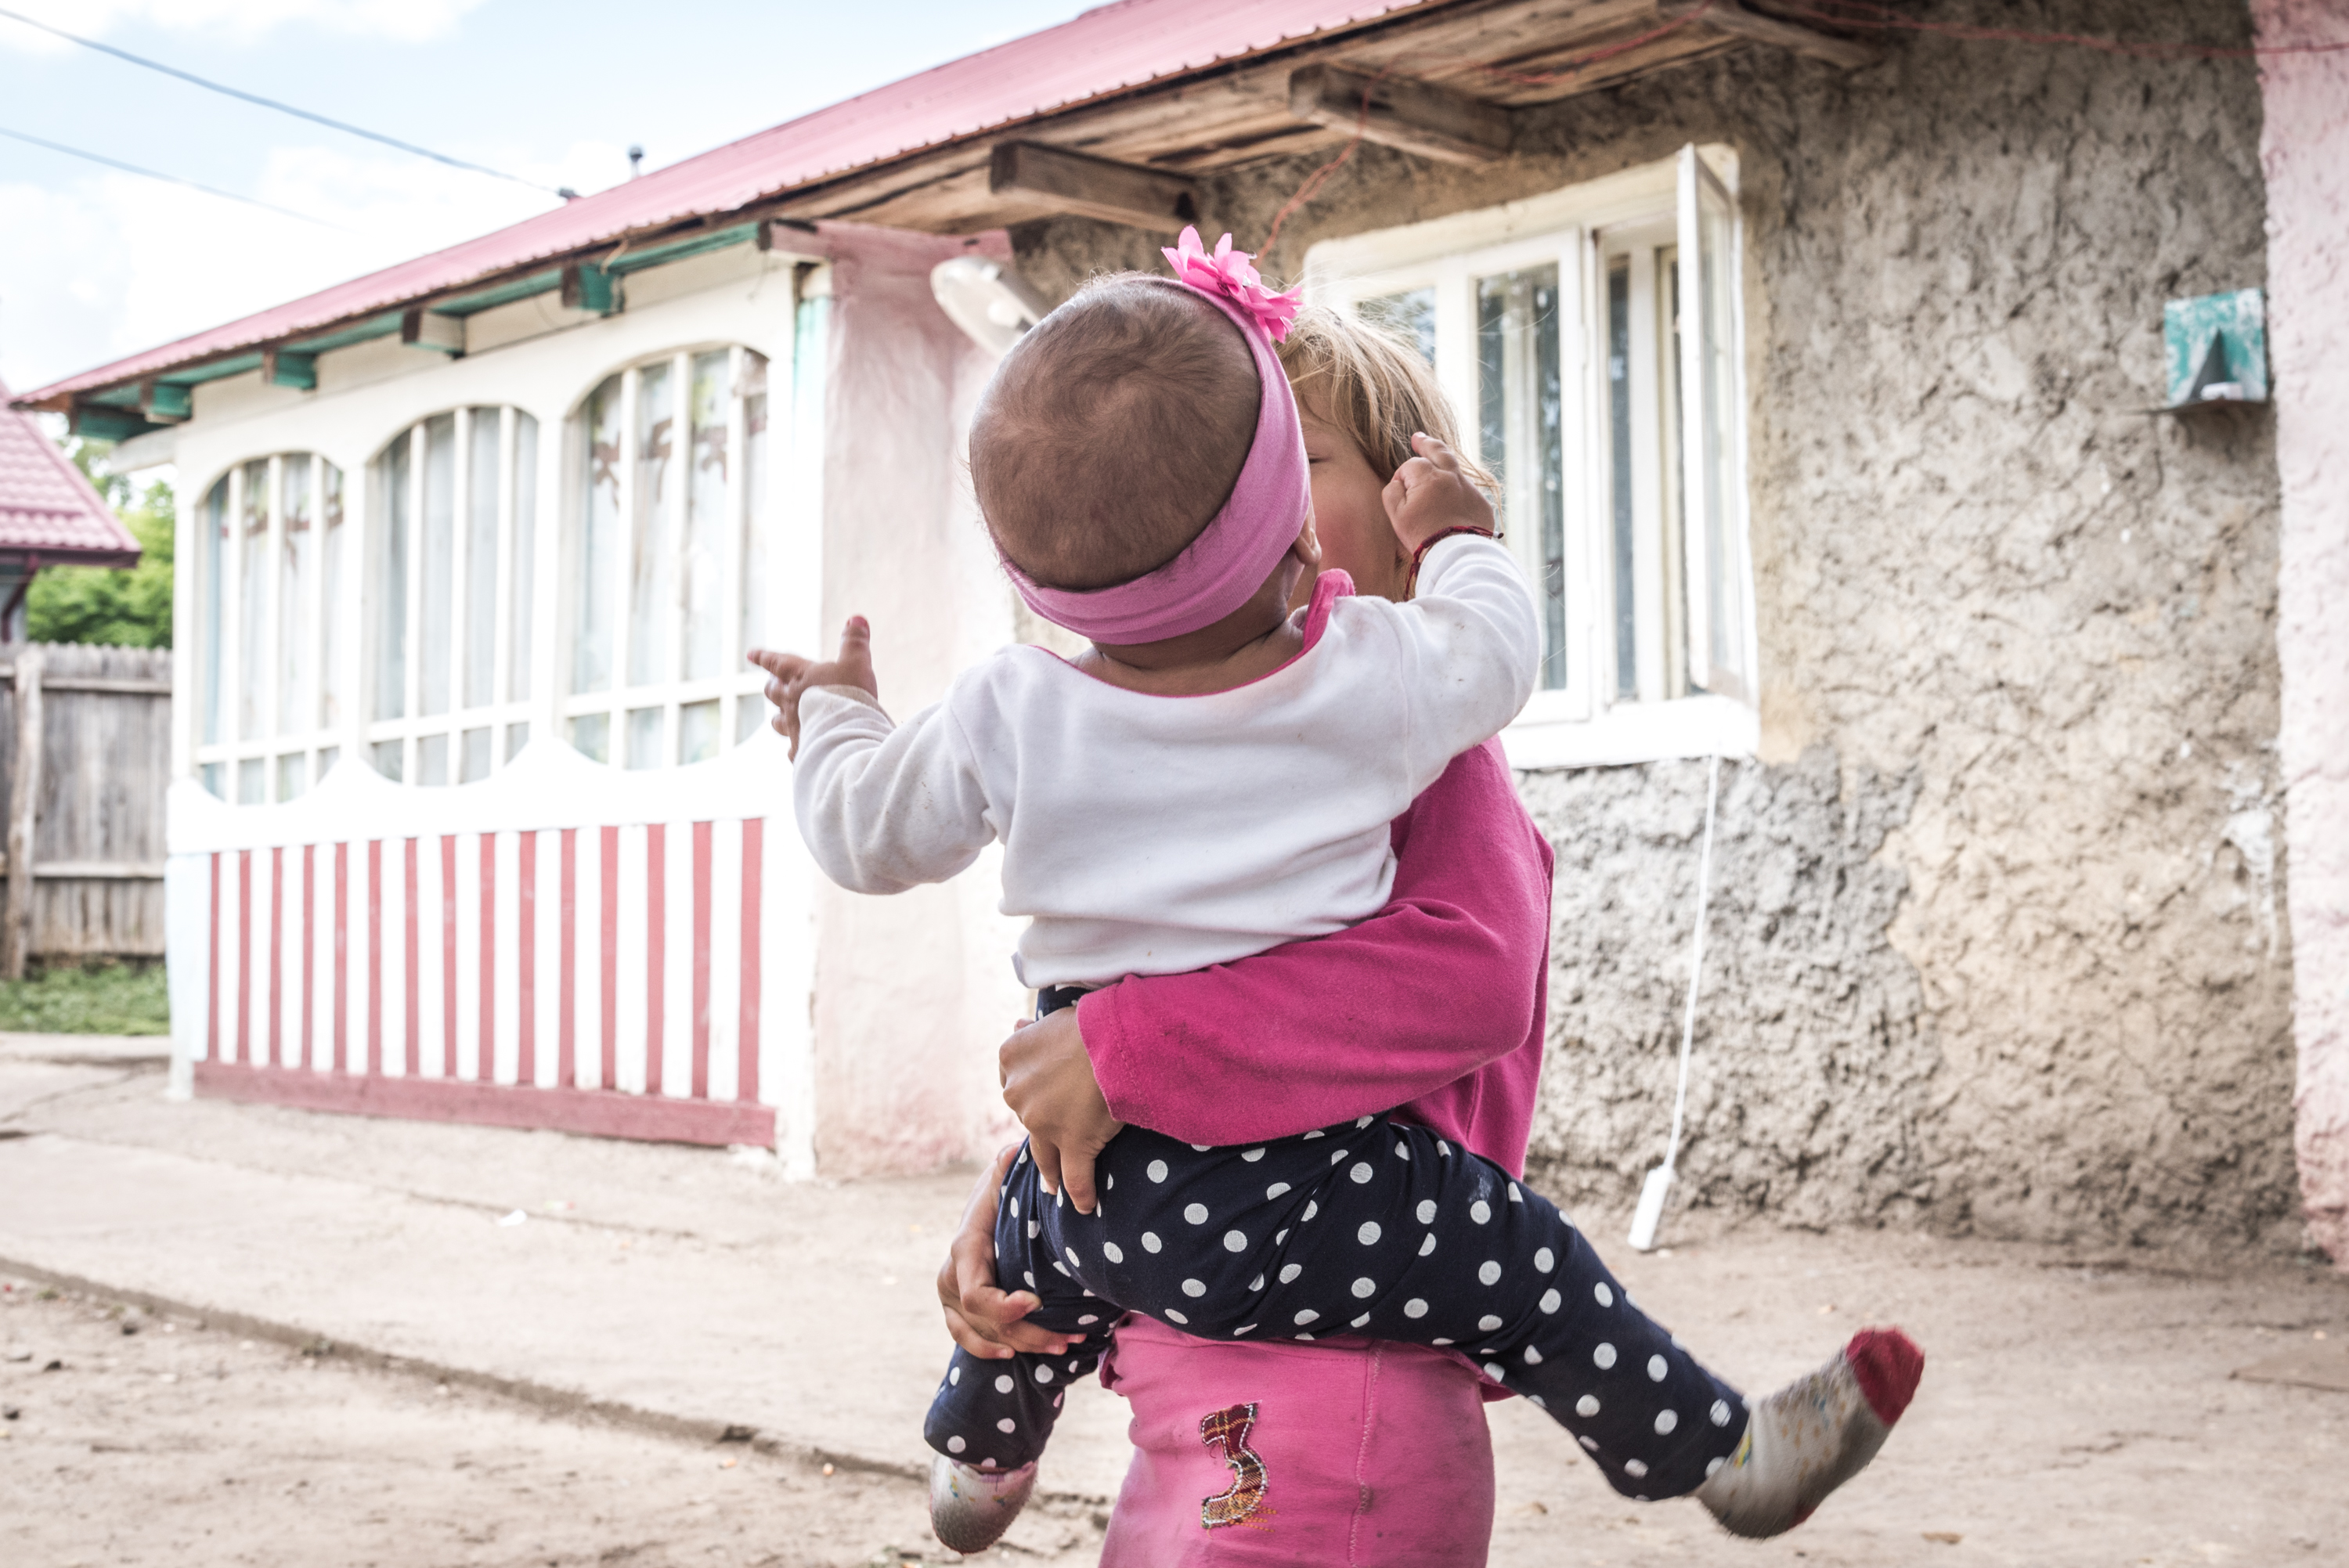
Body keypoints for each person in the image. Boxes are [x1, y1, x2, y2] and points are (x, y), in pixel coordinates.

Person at [752, 231, 1919, 1555]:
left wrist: (839, 720)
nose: (1276, 505)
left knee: (1054, 1264)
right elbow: (1494, 645)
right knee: (1525, 1262)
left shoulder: (1055, 712)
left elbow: (1461, 979)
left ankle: (977, 1453)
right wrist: (1468, 544)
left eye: (1294, 457)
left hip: (1314, 1396)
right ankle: (1714, 1450)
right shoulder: (1360, 693)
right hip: (1271, 1266)